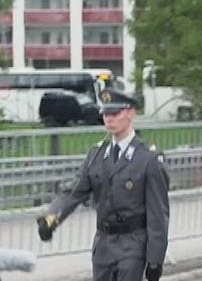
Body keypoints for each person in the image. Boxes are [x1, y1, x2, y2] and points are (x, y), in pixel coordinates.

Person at [36, 88, 170, 281]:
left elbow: (158, 213)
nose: (109, 119)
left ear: (131, 113)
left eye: (115, 113)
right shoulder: (97, 155)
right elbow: (73, 192)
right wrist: (52, 217)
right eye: (106, 114)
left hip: (132, 245)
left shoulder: (148, 158)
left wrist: (156, 258)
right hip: (103, 246)